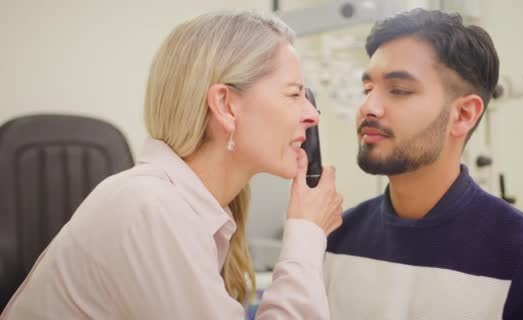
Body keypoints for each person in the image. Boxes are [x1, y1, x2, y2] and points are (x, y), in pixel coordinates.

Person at [1, 11, 343, 319]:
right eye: (294, 94)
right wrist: (305, 235)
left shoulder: (186, 209)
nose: (312, 114)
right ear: (225, 104)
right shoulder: (152, 207)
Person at [324, 9, 523, 320]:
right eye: (367, 89)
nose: (368, 106)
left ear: (463, 115)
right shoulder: (334, 240)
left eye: (398, 90)